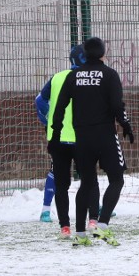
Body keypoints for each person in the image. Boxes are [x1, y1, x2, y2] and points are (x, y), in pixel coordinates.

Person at [50, 37, 134, 247]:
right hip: (105, 136)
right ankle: (101, 224)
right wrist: (126, 125)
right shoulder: (109, 74)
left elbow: (59, 106)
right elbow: (117, 104)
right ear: (103, 53)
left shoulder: (74, 76)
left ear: (85, 54)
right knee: (117, 178)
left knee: (86, 183)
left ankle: (79, 233)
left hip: (83, 139)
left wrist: (56, 133)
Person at [36, 45, 100, 238]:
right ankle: (92, 221)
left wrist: (47, 120)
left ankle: (65, 227)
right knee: (90, 180)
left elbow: (39, 100)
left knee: (61, 184)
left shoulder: (57, 77)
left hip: (59, 139)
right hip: (84, 138)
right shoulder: (91, 78)